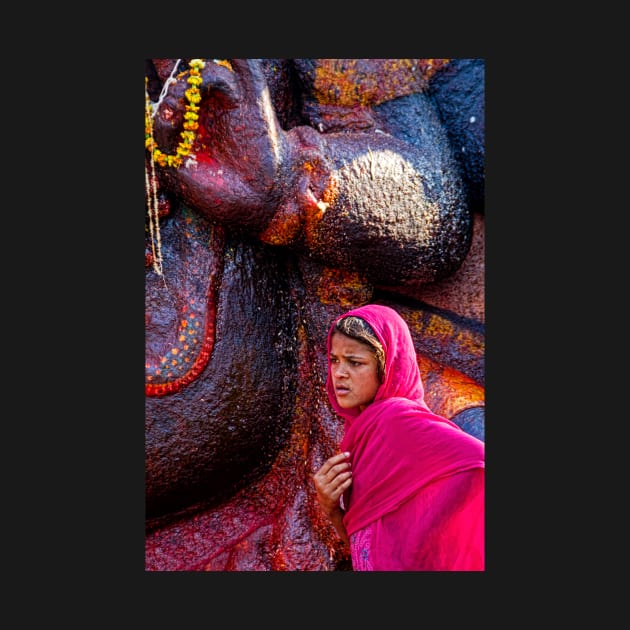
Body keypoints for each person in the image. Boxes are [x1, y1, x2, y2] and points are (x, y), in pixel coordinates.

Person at [313, 303, 485, 571]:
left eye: (355, 362)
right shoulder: (366, 434)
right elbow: (374, 547)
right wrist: (332, 509)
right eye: (334, 359)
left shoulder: (396, 421)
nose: (339, 373)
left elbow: (478, 460)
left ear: (389, 365)